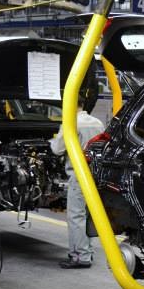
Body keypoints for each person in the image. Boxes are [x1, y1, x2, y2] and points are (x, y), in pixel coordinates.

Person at [50, 100, 105, 269]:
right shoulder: (98, 122)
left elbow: (57, 149)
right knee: (88, 215)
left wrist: (51, 141)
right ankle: (87, 252)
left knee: (76, 216)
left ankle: (80, 256)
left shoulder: (70, 123)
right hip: (96, 175)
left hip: (79, 175)